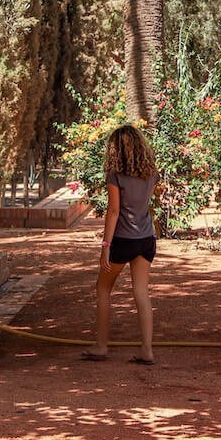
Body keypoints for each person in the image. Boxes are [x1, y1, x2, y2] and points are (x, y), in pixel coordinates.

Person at [81, 124, 159, 365]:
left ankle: (101, 346)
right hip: (146, 239)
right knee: (141, 292)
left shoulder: (115, 175)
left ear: (115, 149)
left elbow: (114, 211)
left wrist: (105, 246)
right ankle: (147, 350)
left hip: (123, 239)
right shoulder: (152, 173)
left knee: (103, 288)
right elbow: (144, 205)